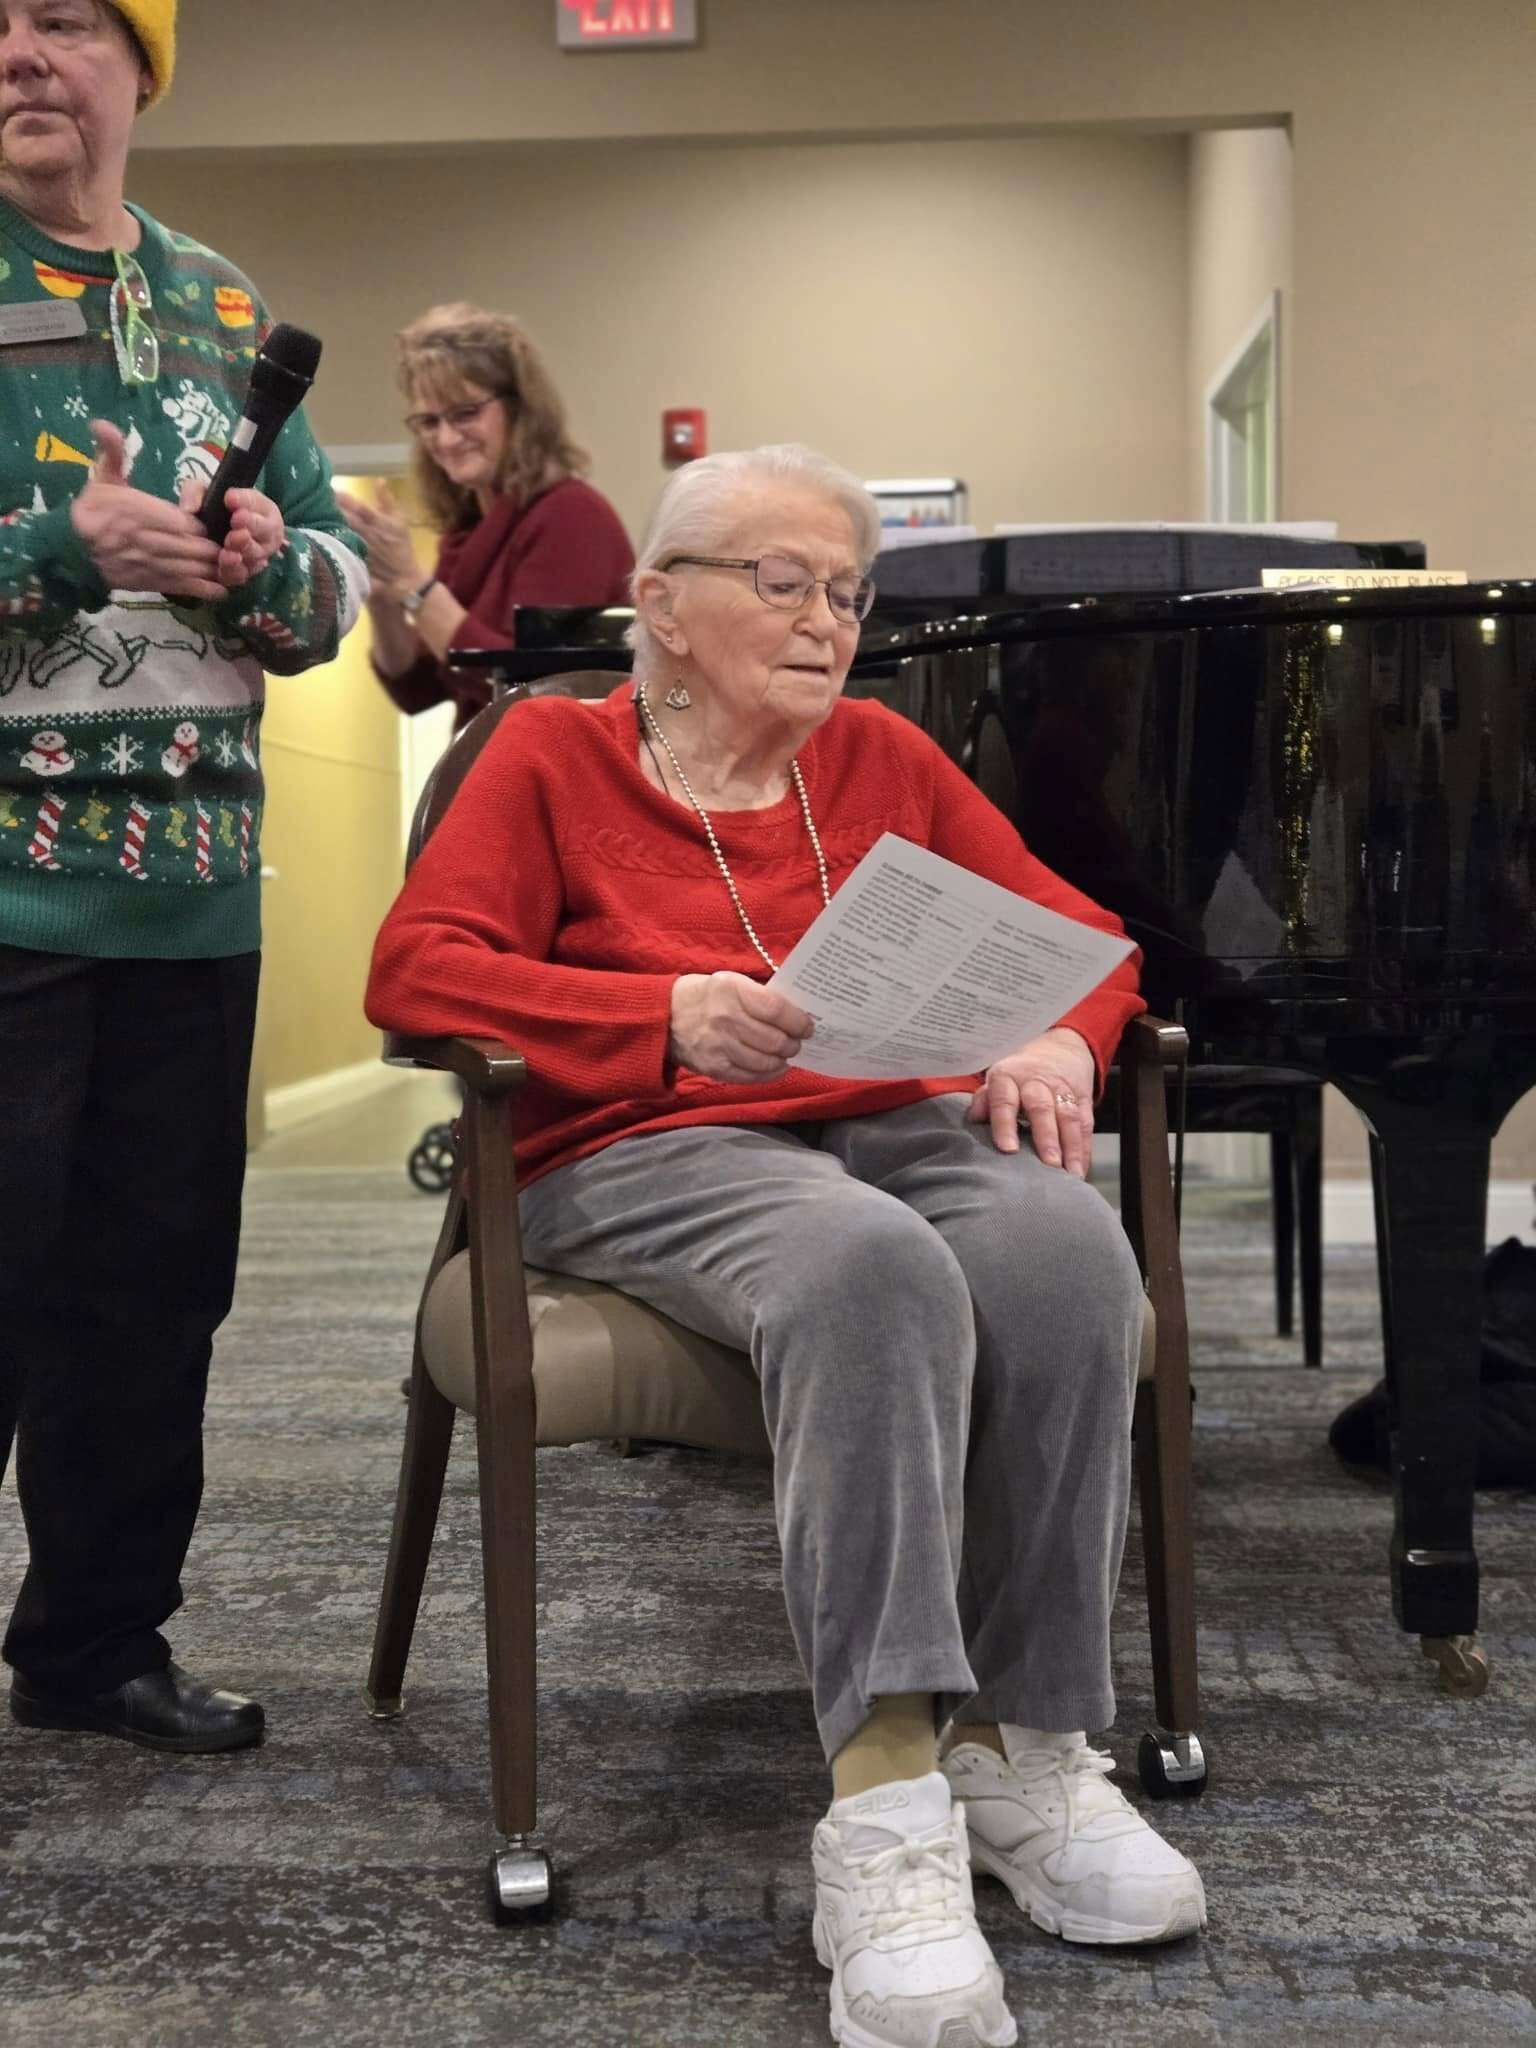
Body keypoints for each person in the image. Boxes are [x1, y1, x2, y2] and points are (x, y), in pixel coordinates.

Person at [365, 444, 1204, 2046]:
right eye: (783, 583)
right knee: (865, 1263)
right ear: (663, 607)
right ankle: (884, 1806)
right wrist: (656, 1016)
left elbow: (1078, 938)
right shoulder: (548, 754)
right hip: (636, 1139)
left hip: (882, 1118)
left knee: (1067, 1258)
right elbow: (418, 975)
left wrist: (1063, 1040)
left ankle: (1024, 1750)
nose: (828, 621)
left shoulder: (880, 753)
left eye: (846, 592)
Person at [0, 0, 368, 1755]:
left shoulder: (223, 303)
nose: (18, 54)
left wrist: (256, 563)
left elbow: (330, 590)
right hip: (4, 890)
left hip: (196, 887)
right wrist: (47, 555)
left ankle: (95, 1642)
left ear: (139, 64)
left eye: (62, 17)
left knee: (152, 1293)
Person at [337, 303, 633, 732]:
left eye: (465, 414)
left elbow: (529, 690)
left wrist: (414, 585)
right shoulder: (468, 530)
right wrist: (384, 598)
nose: (446, 438)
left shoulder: (570, 516)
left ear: (519, 408)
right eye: (428, 421)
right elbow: (417, 690)